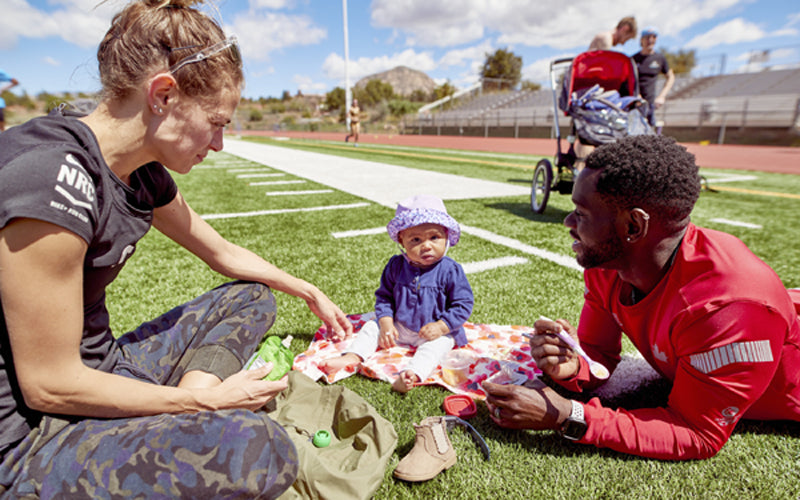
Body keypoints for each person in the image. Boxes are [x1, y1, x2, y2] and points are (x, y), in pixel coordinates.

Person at [0, 0, 353, 496]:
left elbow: (220, 252)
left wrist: (306, 289)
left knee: (254, 296)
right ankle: (172, 417)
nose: (219, 143)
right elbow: (49, 384)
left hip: (100, 369)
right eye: (218, 122)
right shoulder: (53, 182)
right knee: (260, 450)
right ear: (163, 95)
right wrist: (207, 404)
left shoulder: (138, 168)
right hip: (31, 435)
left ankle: (159, 421)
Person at [483, 135, 800, 460]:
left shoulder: (728, 306)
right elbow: (598, 353)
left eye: (581, 212)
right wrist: (572, 365)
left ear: (633, 225)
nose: (568, 222)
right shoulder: (608, 263)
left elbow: (696, 433)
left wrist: (567, 415)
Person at [319, 194, 474, 393]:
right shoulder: (395, 266)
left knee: (437, 348)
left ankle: (411, 374)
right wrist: (386, 323)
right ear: (402, 240)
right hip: (399, 326)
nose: (426, 245)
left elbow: (463, 304)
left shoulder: (451, 270)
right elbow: (384, 297)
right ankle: (353, 356)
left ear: (446, 236)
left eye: (434, 237)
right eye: (416, 239)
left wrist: (442, 326)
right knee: (370, 327)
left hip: (433, 332)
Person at [632, 27, 675, 127]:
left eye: (654, 37)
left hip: (650, 104)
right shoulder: (633, 59)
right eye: (647, 37)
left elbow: (670, 77)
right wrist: (636, 95)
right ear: (641, 40)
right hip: (634, 103)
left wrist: (662, 96)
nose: (650, 40)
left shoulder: (660, 58)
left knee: (649, 135)